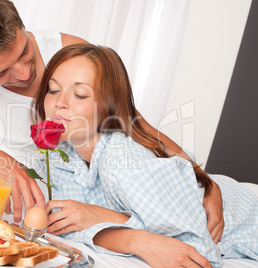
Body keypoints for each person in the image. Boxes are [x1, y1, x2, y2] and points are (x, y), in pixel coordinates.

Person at [0, 0, 224, 230]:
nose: (24, 73)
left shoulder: (71, 52)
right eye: (0, 73)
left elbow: (133, 124)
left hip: (101, 201)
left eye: (24, 52)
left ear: (21, 25)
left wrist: (202, 178)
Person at [31, 43, 258, 267]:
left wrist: (107, 219)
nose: (60, 103)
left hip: (249, 217)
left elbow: (197, 256)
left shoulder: (124, 163)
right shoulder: (63, 156)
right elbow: (67, 228)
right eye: (53, 90)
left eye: (80, 95)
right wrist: (120, 230)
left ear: (108, 106)